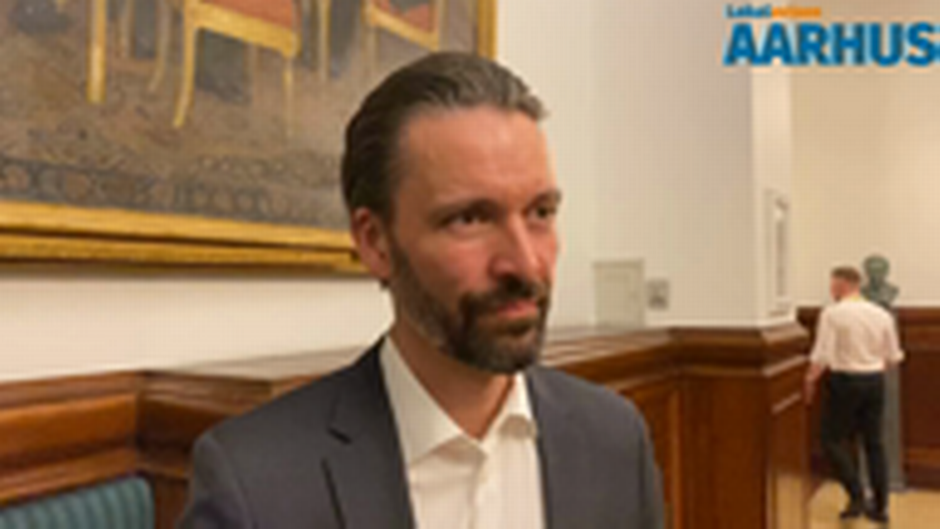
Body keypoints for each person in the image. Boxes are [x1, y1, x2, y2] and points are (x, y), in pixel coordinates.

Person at [178, 52, 664, 529]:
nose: (525, 263)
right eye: (470, 219)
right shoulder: (256, 486)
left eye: (540, 213)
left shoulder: (614, 441)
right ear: (376, 242)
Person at [805, 266, 905, 525]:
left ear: (842, 285)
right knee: (874, 443)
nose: (831, 290)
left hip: (844, 381)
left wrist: (810, 380)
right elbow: (893, 356)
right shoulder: (882, 314)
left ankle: (856, 493)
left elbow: (822, 354)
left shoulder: (832, 314)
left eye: (832, 285)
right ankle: (880, 506)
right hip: (874, 380)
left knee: (831, 439)